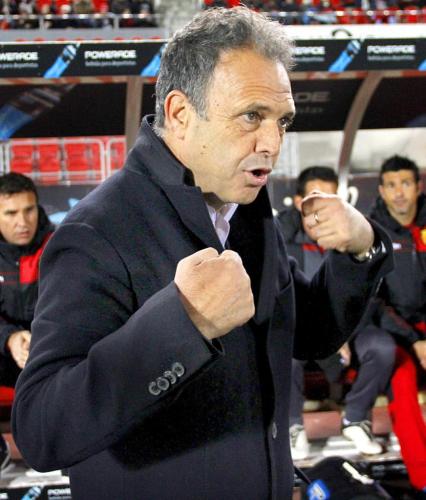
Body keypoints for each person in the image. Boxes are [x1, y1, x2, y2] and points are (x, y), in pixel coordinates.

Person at [12, 7, 392, 499]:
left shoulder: (245, 210)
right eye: (252, 116)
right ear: (180, 114)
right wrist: (184, 324)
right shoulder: (95, 231)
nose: (272, 142)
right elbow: (42, 430)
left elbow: (309, 333)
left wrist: (360, 251)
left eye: (282, 121)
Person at [278, 166, 394, 460]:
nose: (323, 206)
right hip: (300, 329)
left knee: (382, 347)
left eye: (331, 197)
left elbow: (368, 295)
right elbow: (280, 301)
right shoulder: (278, 239)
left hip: (349, 328)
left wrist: (343, 331)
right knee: (283, 350)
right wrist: (329, 331)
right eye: (314, 198)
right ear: (299, 201)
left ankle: (355, 418)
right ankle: (292, 427)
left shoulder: (351, 233)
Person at [367, 155, 426, 498]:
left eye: (405, 183)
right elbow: (374, 302)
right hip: (396, 333)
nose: (399, 192)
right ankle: (423, 480)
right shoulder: (373, 232)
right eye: (391, 185)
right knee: (402, 383)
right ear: (382, 191)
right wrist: (413, 339)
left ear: (418, 186)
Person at [0, 172, 53, 470]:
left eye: (29, 210)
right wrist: (9, 338)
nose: (22, 222)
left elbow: (74, 305)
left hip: (48, 349)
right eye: (10, 213)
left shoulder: (60, 243)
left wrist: (40, 339)